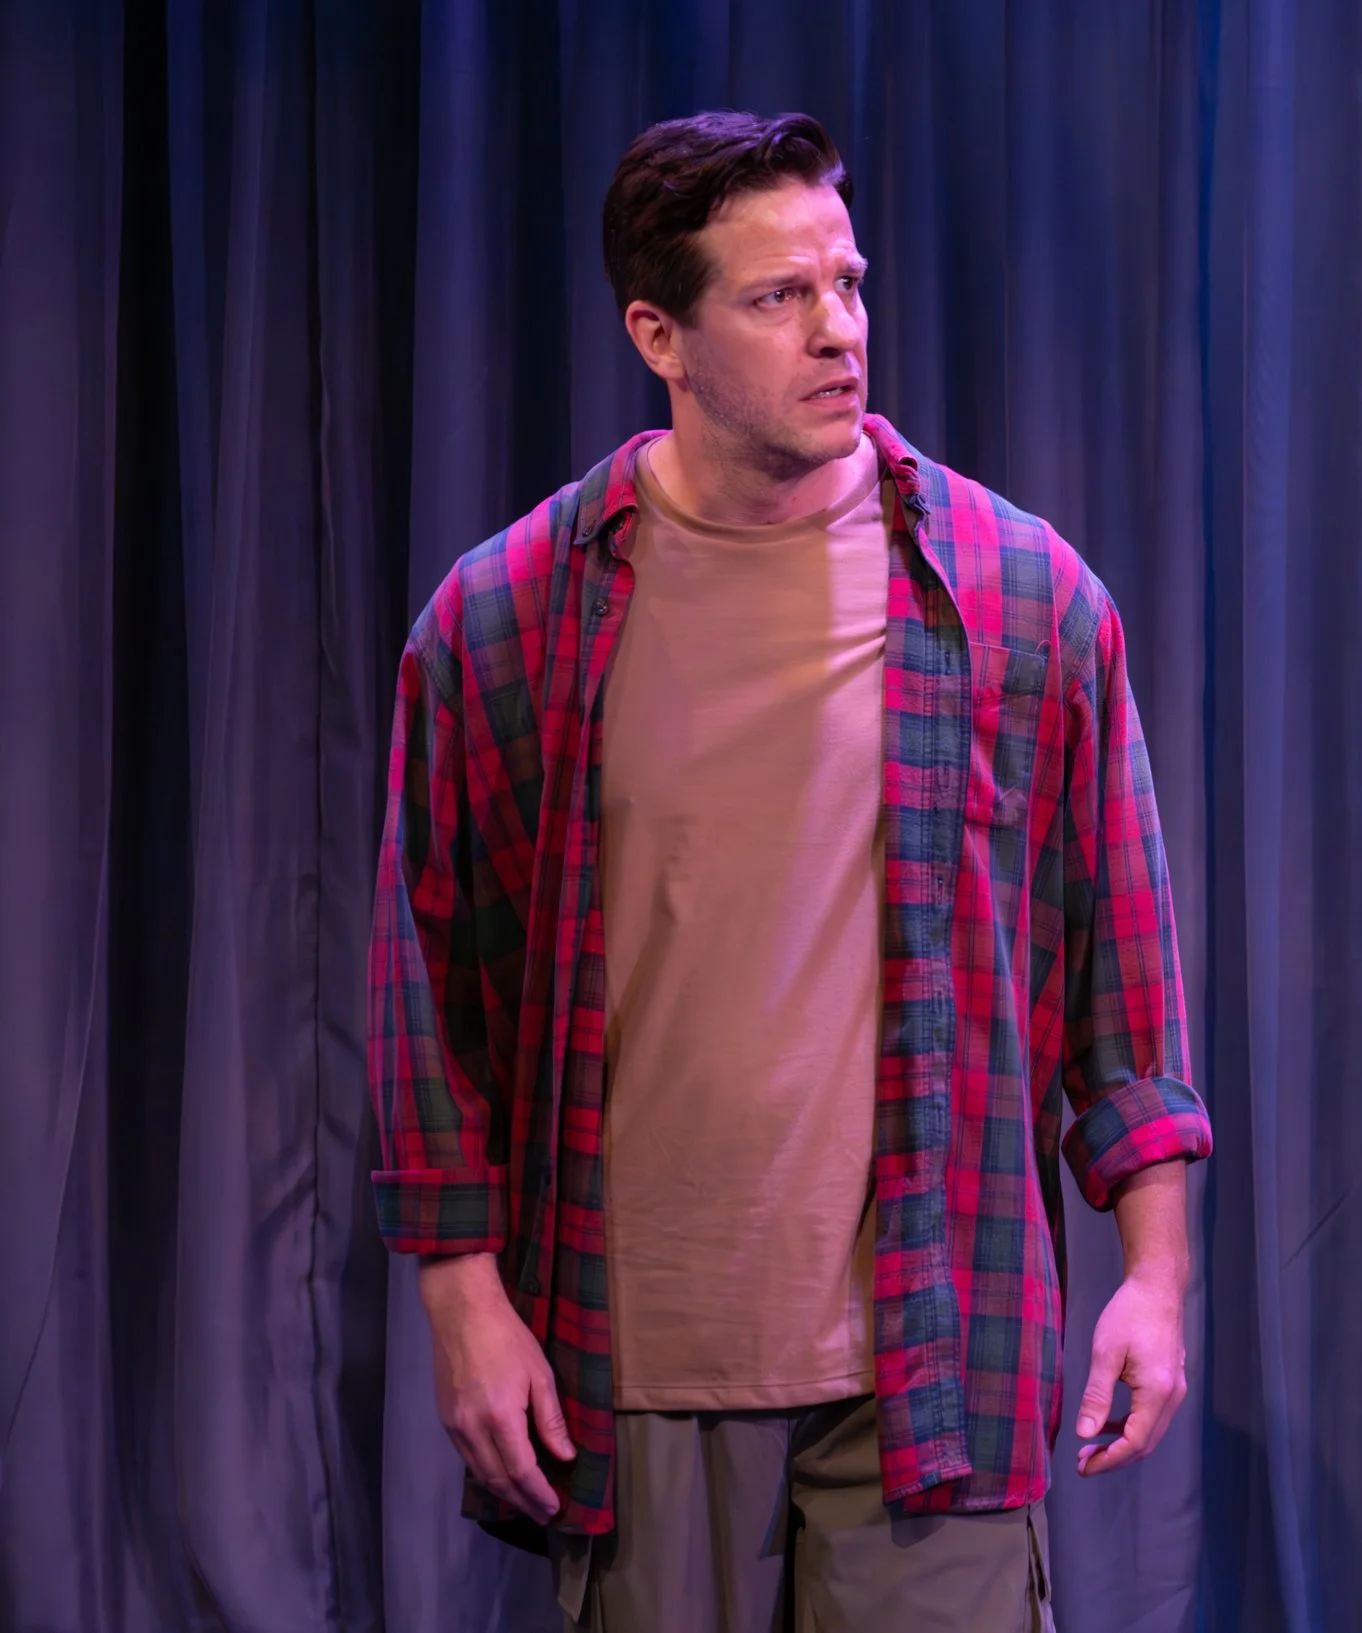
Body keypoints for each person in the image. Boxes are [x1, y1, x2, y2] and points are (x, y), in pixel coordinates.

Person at [366, 110, 1212, 1633]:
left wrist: (1154, 1277)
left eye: (848, 282)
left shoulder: (1018, 597)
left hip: (931, 1360)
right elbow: (431, 992)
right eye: (779, 297)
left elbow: (1122, 970)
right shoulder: (510, 619)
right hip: (633, 1362)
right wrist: (458, 1298)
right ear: (661, 337)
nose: (840, 330)